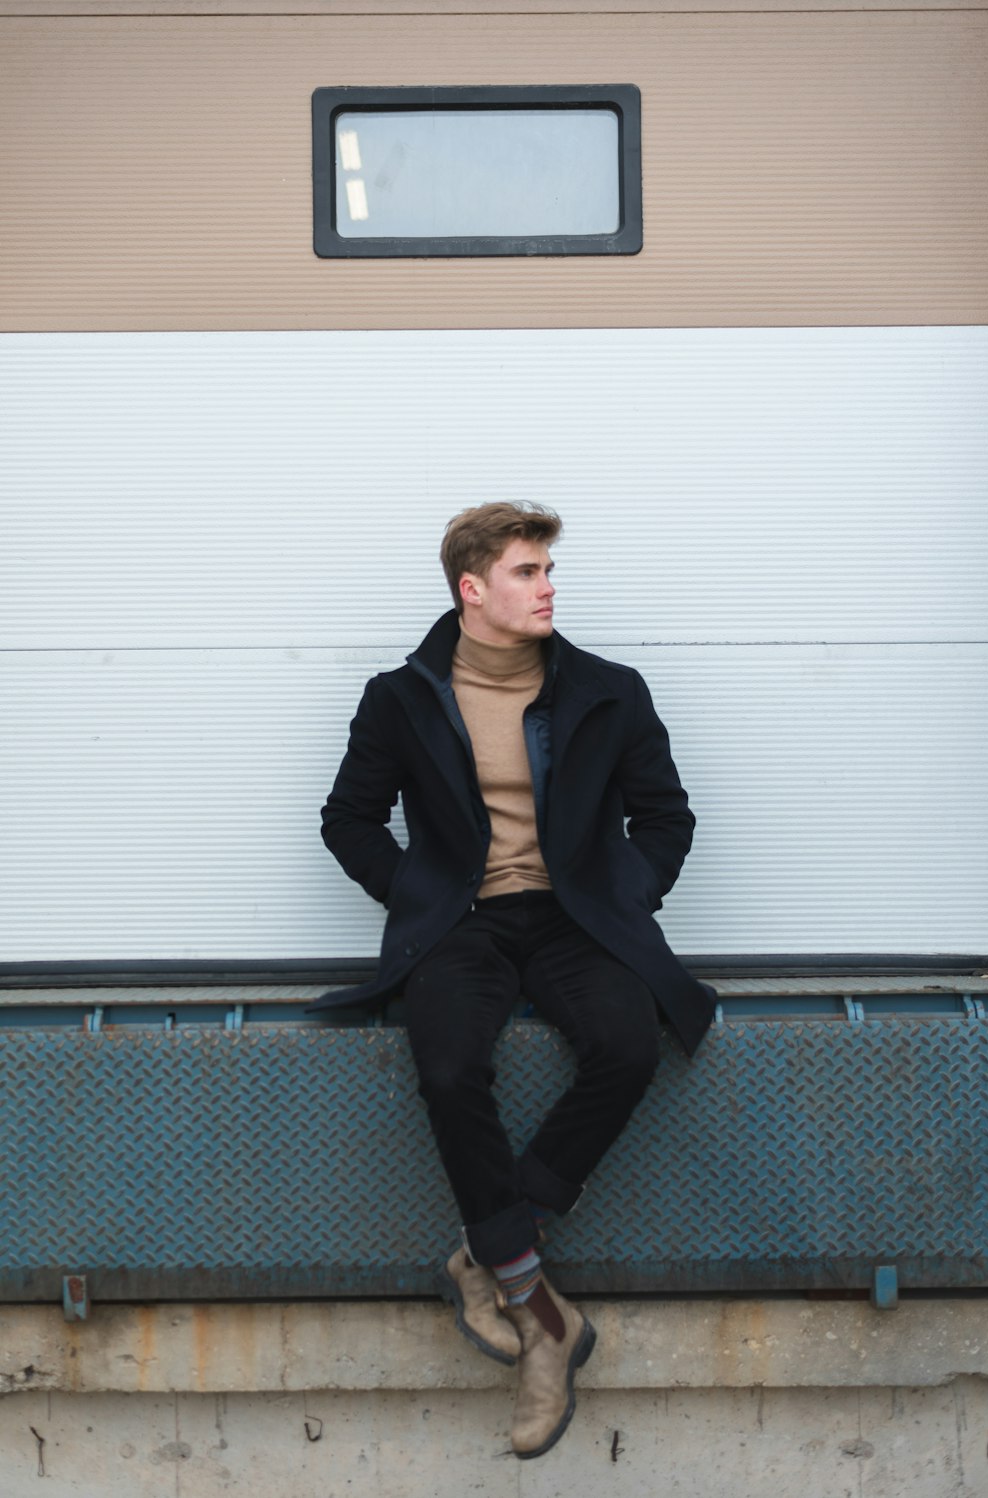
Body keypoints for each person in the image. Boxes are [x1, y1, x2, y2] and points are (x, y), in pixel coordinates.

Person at [309, 502, 714, 1459]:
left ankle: (492, 1252)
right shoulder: (401, 698)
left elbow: (667, 816)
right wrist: (416, 891)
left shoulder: (608, 692)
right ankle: (543, 1320)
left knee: (625, 1044)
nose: (548, 588)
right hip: (462, 925)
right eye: (529, 572)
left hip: (573, 919)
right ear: (473, 589)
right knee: (449, 1068)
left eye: (547, 571)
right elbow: (347, 818)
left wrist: (626, 892)